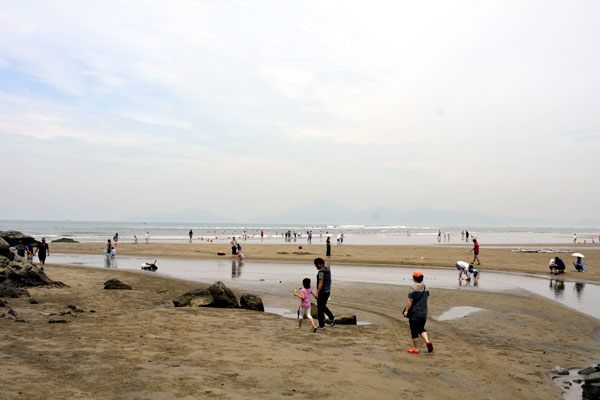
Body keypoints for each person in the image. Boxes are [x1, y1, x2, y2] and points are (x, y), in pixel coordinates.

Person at [403, 270, 433, 354]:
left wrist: (406, 311)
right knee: (421, 328)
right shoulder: (426, 287)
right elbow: (426, 299)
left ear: (414, 278)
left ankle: (415, 349)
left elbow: (410, 301)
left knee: (414, 331)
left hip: (415, 313)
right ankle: (427, 341)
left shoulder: (413, 287)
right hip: (423, 312)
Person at [314, 257, 335, 330]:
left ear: (320, 264)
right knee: (323, 306)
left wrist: (317, 293)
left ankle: (321, 325)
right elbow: (330, 281)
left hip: (322, 292)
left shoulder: (321, 272)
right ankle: (331, 318)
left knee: (320, 308)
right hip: (327, 291)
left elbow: (320, 283)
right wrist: (328, 288)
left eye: (316, 265)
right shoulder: (328, 270)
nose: (316, 266)